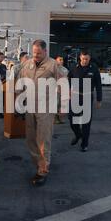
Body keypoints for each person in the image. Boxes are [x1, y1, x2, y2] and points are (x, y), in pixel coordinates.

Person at [19, 40, 65, 186]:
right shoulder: (28, 64)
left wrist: (62, 105)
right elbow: (21, 82)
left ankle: (42, 171)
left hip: (46, 107)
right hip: (30, 107)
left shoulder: (53, 65)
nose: (36, 55)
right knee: (31, 139)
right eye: (34, 52)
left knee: (43, 140)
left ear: (45, 51)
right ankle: (39, 164)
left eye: (39, 53)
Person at [68, 49, 103, 152]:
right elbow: (68, 78)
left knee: (86, 123)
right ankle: (78, 135)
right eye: (83, 59)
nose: (85, 61)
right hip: (75, 96)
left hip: (87, 97)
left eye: (87, 59)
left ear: (90, 58)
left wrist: (99, 100)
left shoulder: (94, 68)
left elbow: (98, 84)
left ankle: (84, 144)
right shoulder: (74, 67)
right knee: (71, 119)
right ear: (80, 57)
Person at [55, 55, 69, 125]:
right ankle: (55, 118)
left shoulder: (65, 69)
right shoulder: (53, 69)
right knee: (56, 104)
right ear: (56, 60)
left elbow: (66, 79)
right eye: (60, 60)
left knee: (61, 104)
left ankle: (60, 118)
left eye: (62, 60)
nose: (62, 61)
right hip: (55, 89)